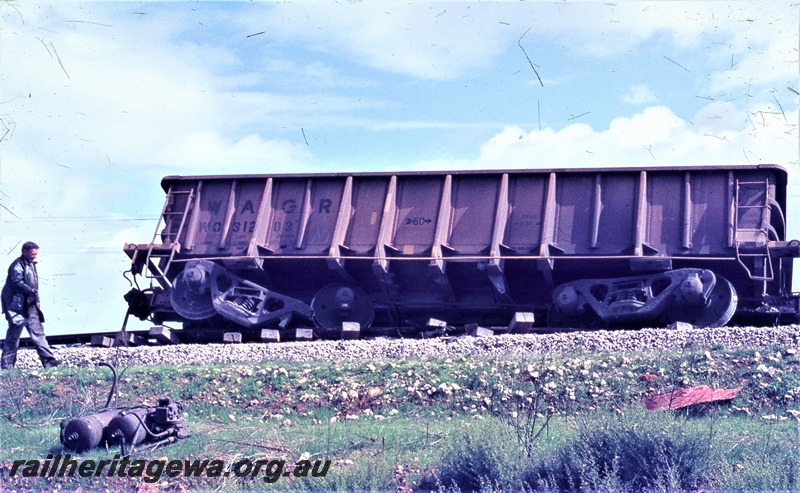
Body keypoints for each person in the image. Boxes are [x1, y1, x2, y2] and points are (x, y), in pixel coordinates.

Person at [1, 241, 61, 369]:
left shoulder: (32, 265)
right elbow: (17, 282)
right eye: (32, 254)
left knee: (38, 332)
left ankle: (49, 362)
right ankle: (7, 365)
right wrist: (30, 291)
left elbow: (35, 286)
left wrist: (37, 299)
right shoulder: (17, 265)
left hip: (30, 304)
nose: (34, 256)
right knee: (13, 336)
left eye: (35, 254)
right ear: (24, 252)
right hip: (16, 307)